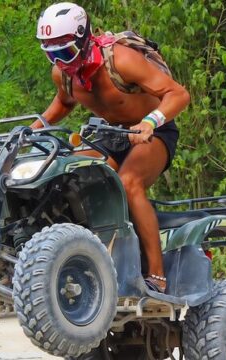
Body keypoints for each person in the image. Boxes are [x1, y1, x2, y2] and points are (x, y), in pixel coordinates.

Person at [32, 3, 190, 293]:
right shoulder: (63, 74)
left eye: (65, 53)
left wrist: (150, 122)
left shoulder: (121, 60)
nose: (60, 62)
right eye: (51, 55)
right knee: (66, 175)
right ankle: (88, 261)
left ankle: (157, 276)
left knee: (129, 183)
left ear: (83, 38)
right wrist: (30, 132)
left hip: (154, 132)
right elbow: (63, 104)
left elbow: (178, 94)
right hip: (109, 134)